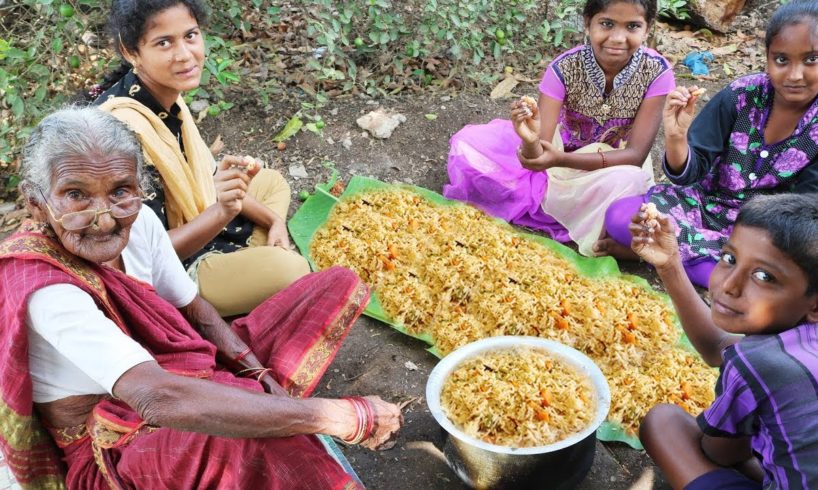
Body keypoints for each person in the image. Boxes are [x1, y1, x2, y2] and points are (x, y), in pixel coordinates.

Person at [0, 107, 403, 489]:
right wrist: (338, 416)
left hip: (178, 374)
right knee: (244, 441)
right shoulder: (44, 287)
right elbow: (156, 397)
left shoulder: (138, 223)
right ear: (37, 204)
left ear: (140, 189)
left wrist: (257, 375)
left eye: (121, 191)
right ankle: (267, 423)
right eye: (76, 195)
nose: (104, 218)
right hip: (116, 444)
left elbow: (196, 311)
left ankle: (264, 410)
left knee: (333, 286)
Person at [86, 0, 309, 316]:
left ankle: (250, 263)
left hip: (198, 222)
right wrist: (221, 212)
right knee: (292, 270)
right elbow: (145, 255)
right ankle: (219, 292)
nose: (184, 55)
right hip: (171, 270)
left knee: (271, 183)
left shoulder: (163, 96)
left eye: (190, 36)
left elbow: (209, 180)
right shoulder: (119, 136)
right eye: (164, 43)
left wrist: (273, 221)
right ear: (130, 51)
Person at [599, 0, 818, 287]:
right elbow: (690, 172)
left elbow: (807, 210)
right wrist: (676, 138)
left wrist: (753, 241)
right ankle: (683, 262)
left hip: (765, 236)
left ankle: (659, 257)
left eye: (811, 60)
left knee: (770, 272)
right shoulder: (741, 96)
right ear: (766, 57)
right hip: (702, 206)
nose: (794, 75)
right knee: (621, 216)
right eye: (781, 59)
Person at [444, 0, 673, 255]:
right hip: (555, 164)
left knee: (630, 180)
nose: (618, 38)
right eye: (606, 24)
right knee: (467, 146)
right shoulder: (564, 68)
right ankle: (580, 216)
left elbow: (635, 155)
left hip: (611, 166)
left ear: (648, 28)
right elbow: (538, 156)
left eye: (632, 26)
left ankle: (574, 214)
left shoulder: (656, 72)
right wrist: (530, 140)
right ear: (588, 23)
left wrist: (559, 159)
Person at [631, 193, 818, 489]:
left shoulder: (758, 364)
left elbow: (717, 452)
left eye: (764, 277)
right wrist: (669, 264)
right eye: (729, 258)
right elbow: (719, 346)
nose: (728, 286)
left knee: (663, 423)